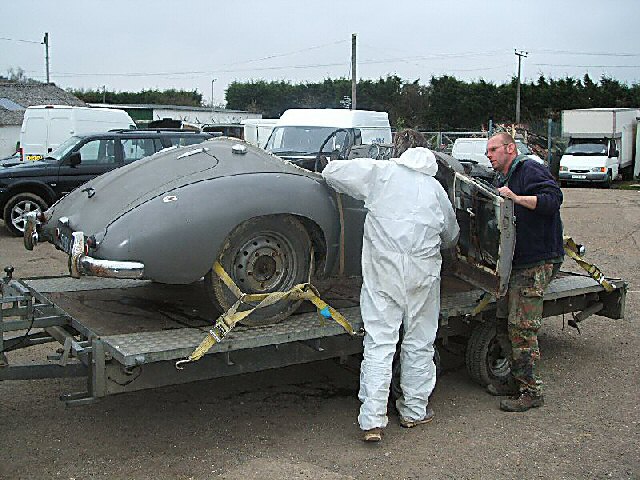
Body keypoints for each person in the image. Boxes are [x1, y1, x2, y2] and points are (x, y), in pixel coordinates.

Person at [322, 147, 459, 442]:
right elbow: (451, 235)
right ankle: (414, 411)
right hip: (423, 276)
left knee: (379, 344)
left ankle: (372, 421)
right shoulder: (435, 189)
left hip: (384, 275)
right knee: (419, 342)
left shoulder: (382, 173)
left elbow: (332, 172)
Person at [485, 132, 564, 412]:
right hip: (514, 264)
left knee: (522, 328)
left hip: (536, 262)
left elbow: (553, 200)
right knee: (503, 323)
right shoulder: (501, 177)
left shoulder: (529, 169)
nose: (489, 155)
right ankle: (516, 380)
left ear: (510, 148)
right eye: (487, 151)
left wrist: (516, 198)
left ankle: (531, 392)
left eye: (493, 149)